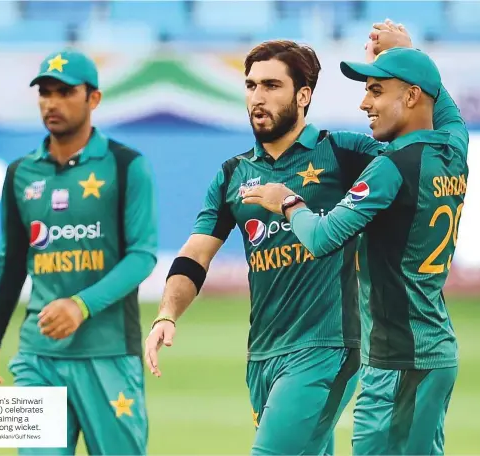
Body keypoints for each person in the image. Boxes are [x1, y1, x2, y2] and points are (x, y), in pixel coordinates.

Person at [144, 24, 421, 455]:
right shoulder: (232, 174)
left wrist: (405, 62)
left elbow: (422, 150)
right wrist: (166, 314)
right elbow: (196, 253)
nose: (257, 96)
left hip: (328, 346)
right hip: (263, 354)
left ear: (303, 96)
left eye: (272, 85)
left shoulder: (344, 154)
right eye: (251, 85)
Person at [242, 33, 468, 455]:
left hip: (395, 359)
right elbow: (444, 105)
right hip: (435, 353)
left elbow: (321, 237)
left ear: (413, 96)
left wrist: (287, 201)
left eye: (376, 91)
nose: (365, 104)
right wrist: (405, 53)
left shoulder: (388, 169)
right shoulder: (455, 147)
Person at [0, 49, 158, 456]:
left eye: (65, 92)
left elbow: (143, 256)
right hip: (38, 358)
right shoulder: (21, 173)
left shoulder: (126, 165)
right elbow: (10, 263)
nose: (51, 103)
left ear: (94, 99)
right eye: (45, 93)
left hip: (108, 353)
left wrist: (80, 305)